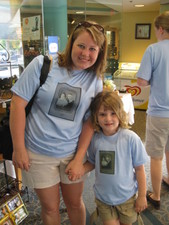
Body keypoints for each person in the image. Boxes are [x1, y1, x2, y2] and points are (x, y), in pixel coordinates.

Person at [9, 20, 107, 225]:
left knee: (74, 203)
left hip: (71, 152)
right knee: (51, 208)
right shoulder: (43, 65)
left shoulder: (95, 80)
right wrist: (19, 148)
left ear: (99, 52)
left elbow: (90, 121)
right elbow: (17, 104)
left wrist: (79, 158)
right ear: (71, 43)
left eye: (92, 49)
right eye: (81, 45)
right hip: (38, 152)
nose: (85, 53)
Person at [81, 91, 148, 225]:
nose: (108, 119)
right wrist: (80, 169)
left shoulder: (131, 138)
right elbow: (93, 162)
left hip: (126, 198)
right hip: (103, 198)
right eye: (102, 114)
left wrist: (141, 196)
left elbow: (140, 170)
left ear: (120, 114)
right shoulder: (95, 139)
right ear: (96, 116)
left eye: (113, 113)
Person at [137, 11, 169, 210]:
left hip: (159, 112)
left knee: (156, 156)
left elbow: (142, 81)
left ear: (160, 29)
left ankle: (156, 195)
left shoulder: (154, 50)